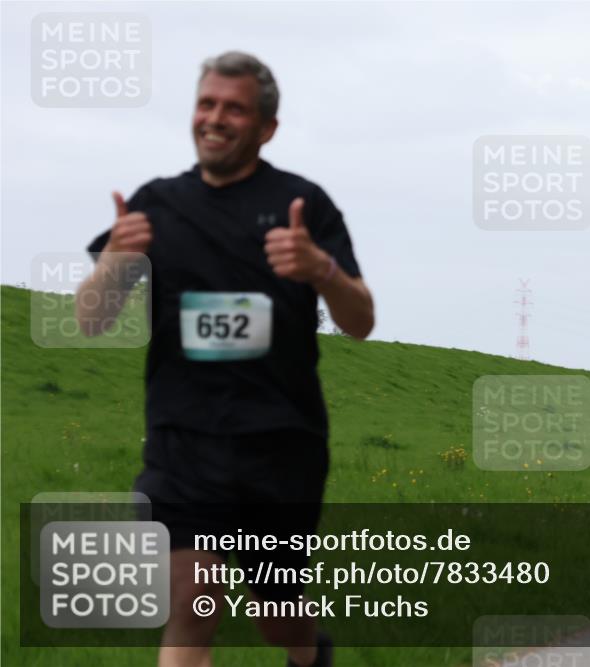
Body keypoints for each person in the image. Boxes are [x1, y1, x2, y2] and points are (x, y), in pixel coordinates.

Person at [76, 52, 375, 667]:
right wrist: (112, 264)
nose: (215, 118)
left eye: (234, 108)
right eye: (207, 104)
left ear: (266, 128)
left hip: (280, 444)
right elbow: (91, 320)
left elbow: (362, 321)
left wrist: (321, 270)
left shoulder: (303, 204)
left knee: (278, 618)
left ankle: (309, 653)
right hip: (182, 442)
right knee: (192, 608)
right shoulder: (155, 205)